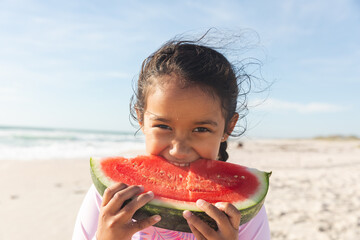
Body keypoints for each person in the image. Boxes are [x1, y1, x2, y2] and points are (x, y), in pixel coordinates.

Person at [73, 33, 271, 240]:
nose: (179, 150)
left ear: (228, 127)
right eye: (163, 126)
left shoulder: (241, 211)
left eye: (201, 129)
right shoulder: (111, 198)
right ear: (141, 120)